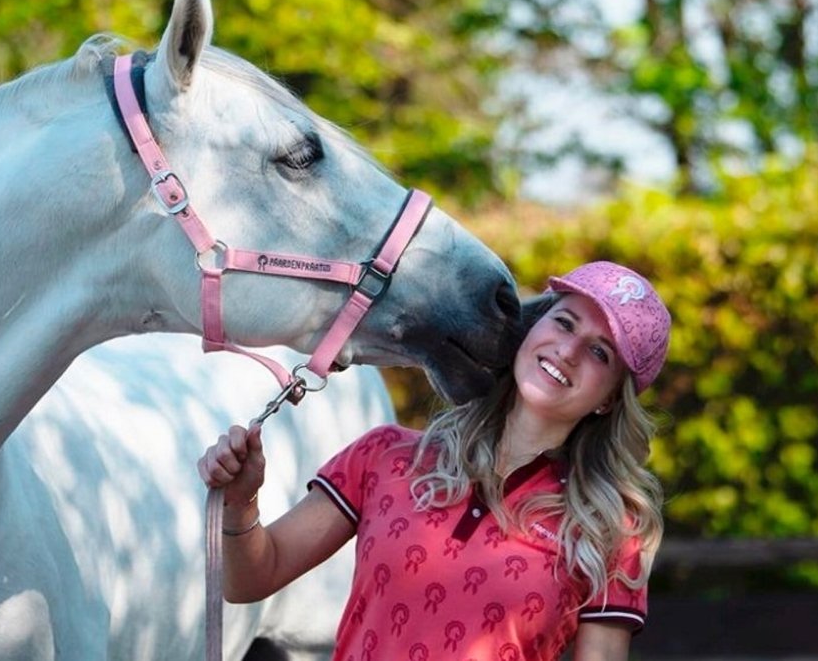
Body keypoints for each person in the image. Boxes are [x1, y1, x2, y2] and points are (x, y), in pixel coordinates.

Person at [198, 261, 671, 661]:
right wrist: (241, 503)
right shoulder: (385, 456)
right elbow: (250, 580)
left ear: (610, 400)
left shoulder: (609, 529)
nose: (568, 351)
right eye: (564, 322)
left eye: (599, 352)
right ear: (533, 328)